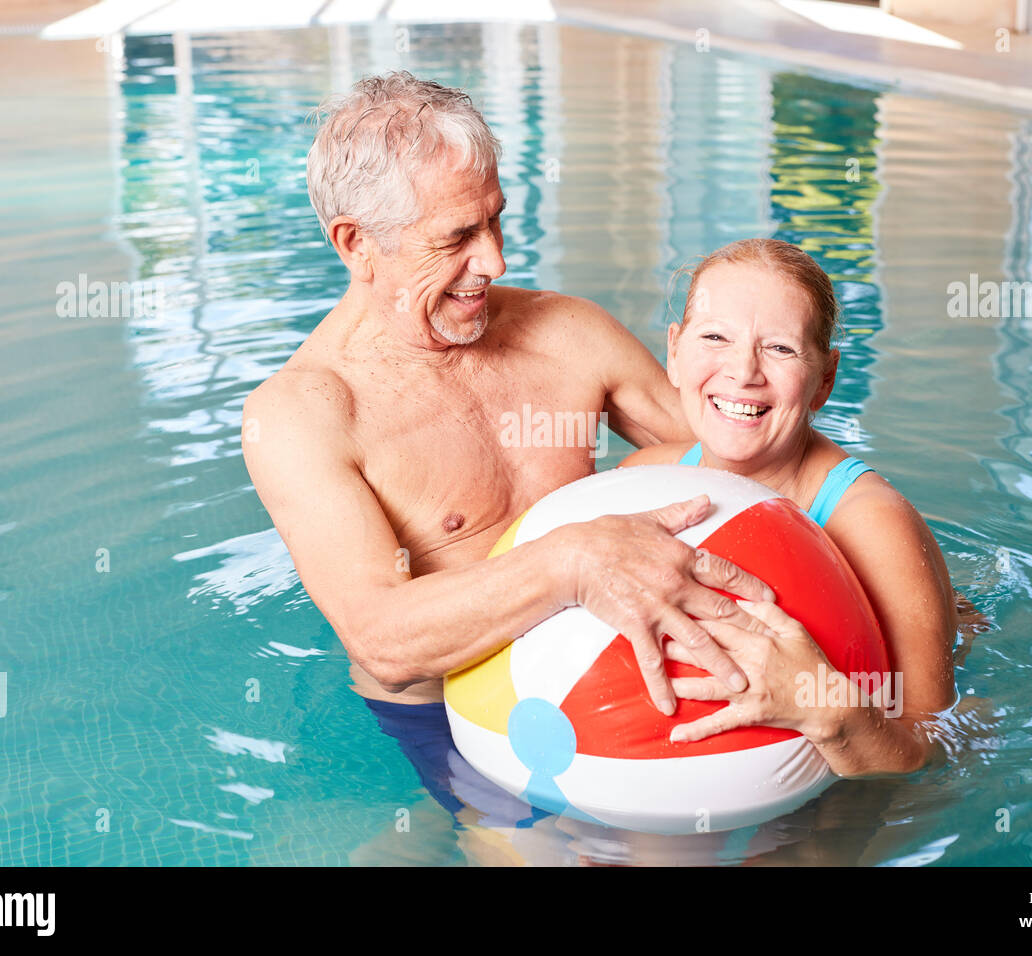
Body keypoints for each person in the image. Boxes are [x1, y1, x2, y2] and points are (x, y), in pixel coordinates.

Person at [243, 70, 775, 754]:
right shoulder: (304, 414)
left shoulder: (568, 333)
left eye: (496, 218)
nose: (494, 258)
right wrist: (571, 563)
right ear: (357, 243)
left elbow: (748, 459)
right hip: (456, 724)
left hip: (625, 680)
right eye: (458, 235)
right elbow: (382, 638)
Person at [621, 238, 970, 776]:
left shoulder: (874, 527)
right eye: (715, 337)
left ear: (824, 379)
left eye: (780, 349)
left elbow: (941, 751)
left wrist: (824, 710)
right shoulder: (641, 480)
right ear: (674, 352)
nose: (743, 372)